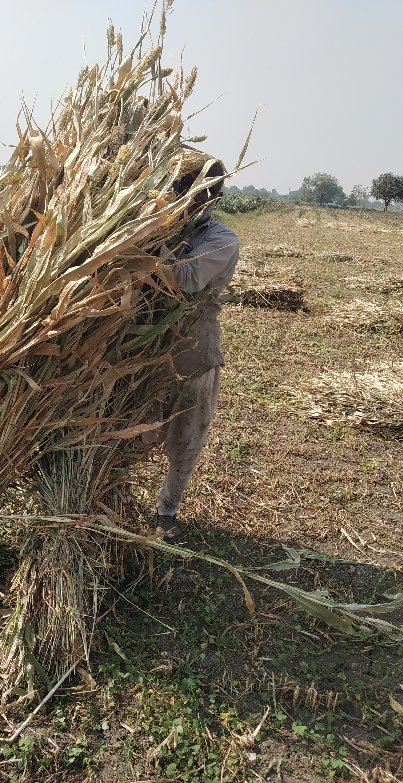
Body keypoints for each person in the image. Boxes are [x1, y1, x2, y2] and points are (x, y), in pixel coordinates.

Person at [155, 159, 239, 541]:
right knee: (125, 428)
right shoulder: (159, 222)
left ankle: (166, 510)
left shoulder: (221, 240)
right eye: (184, 188)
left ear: (215, 197)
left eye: (202, 192)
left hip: (193, 350)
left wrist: (146, 243)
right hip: (140, 350)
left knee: (186, 437)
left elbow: (186, 280)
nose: (191, 199)